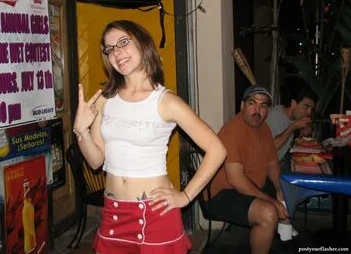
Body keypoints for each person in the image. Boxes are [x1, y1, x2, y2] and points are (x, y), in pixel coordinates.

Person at [73, 20, 226, 253]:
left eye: (123, 42)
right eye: (110, 48)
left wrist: (185, 196)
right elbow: (95, 161)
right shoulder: (105, 100)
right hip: (113, 212)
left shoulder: (166, 102)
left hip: (155, 213)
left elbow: (217, 150)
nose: (117, 52)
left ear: (143, 44)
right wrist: (80, 130)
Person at [206, 85, 290, 254]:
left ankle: (280, 239)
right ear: (242, 106)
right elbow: (236, 180)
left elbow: (272, 163)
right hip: (222, 192)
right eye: (252, 103)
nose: (257, 110)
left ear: (267, 110)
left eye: (263, 105)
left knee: (288, 191)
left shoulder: (264, 128)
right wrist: (271, 200)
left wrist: (279, 189)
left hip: (251, 183)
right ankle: (269, 232)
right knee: (268, 214)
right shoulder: (232, 132)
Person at [266, 81, 318, 160]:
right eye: (306, 107)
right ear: (293, 103)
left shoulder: (296, 116)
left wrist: (309, 127)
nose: (309, 112)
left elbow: (311, 121)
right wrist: (293, 127)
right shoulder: (274, 116)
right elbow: (270, 148)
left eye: (311, 109)